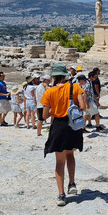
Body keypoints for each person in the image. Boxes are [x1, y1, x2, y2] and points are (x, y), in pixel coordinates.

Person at [41, 63, 86, 207]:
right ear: (66, 75)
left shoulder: (49, 92)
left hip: (58, 127)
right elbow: (83, 107)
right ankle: (72, 183)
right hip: (73, 126)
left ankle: (61, 195)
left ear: (54, 76)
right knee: (70, 155)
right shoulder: (75, 87)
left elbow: (45, 115)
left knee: (59, 162)